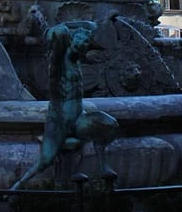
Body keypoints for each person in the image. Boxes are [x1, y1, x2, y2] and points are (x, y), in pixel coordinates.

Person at [10, 21, 117, 190]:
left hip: (78, 119)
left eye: (85, 44)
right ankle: (17, 186)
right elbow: (58, 31)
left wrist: (103, 20)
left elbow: (93, 26)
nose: (82, 46)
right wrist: (66, 27)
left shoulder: (76, 60)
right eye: (79, 42)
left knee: (110, 125)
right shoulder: (58, 62)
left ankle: (102, 164)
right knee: (45, 161)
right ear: (70, 41)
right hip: (59, 121)